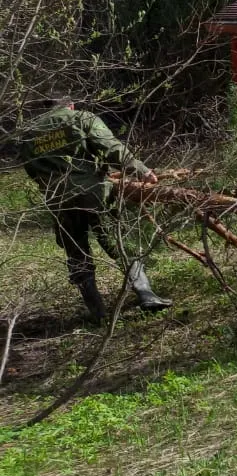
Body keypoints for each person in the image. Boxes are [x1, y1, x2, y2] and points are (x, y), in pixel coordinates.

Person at [17, 97, 173, 323]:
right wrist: (141, 170)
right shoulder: (81, 118)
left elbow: (31, 169)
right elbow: (111, 147)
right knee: (118, 242)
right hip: (93, 194)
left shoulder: (28, 134)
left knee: (76, 253)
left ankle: (98, 314)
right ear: (70, 105)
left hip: (58, 199)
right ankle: (146, 296)